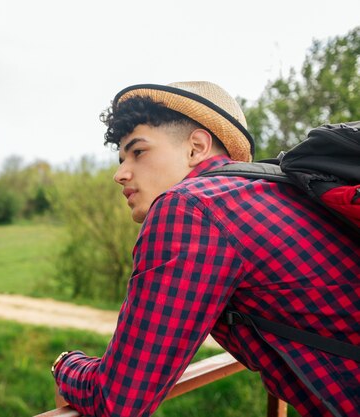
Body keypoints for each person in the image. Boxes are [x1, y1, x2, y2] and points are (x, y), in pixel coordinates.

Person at [51, 81, 360, 416]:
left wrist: (65, 364)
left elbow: (118, 402)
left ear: (196, 147)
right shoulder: (268, 190)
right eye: (122, 157)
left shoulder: (189, 208)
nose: (120, 174)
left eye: (138, 152)